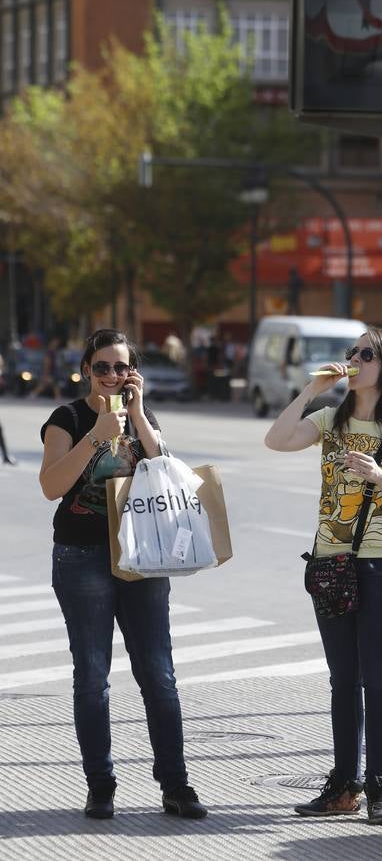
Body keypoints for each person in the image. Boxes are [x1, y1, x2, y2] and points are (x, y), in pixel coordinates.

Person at [265, 327, 382, 826]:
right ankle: (343, 786)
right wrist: (313, 389)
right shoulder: (330, 420)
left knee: (377, 681)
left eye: (365, 353)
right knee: (343, 681)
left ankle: (380, 787)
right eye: (350, 352)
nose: (353, 359)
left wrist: (381, 477)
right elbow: (276, 439)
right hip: (330, 562)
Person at [39, 328, 207, 821]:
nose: (112, 376)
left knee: (159, 674)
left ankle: (176, 785)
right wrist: (95, 436)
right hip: (81, 556)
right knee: (92, 677)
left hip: (142, 558)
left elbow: (166, 470)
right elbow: (51, 486)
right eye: (103, 367)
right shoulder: (66, 418)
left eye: (122, 368)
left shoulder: (141, 417)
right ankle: (101, 785)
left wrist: (136, 414)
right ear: (87, 368)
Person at [30, 336, 62, 400]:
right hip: (50, 371)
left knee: (54, 384)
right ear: (51, 343)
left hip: (53, 371)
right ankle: (33, 393)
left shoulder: (54, 351)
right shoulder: (50, 352)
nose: (56, 344)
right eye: (55, 342)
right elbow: (47, 362)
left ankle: (57, 397)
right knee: (45, 384)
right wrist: (46, 373)